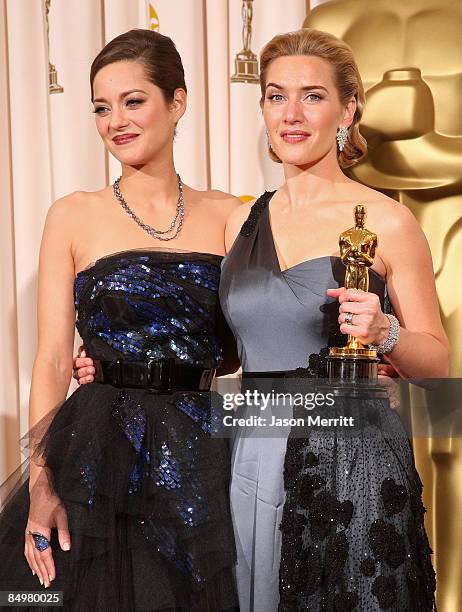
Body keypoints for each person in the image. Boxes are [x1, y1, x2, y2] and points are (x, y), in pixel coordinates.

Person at [74, 28, 448, 612]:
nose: (292, 114)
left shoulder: (386, 219)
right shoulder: (242, 221)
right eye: (276, 96)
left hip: (347, 455)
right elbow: (227, 351)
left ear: (348, 108)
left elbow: (438, 362)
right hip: (248, 447)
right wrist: (124, 361)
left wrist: (386, 334)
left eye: (313, 96)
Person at [0, 29, 240, 611]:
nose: (116, 122)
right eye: (102, 109)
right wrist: (41, 482)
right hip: (100, 448)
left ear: (176, 103)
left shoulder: (233, 215)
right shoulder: (73, 215)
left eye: (133, 102)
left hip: (204, 448)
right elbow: (53, 358)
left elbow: (238, 349)